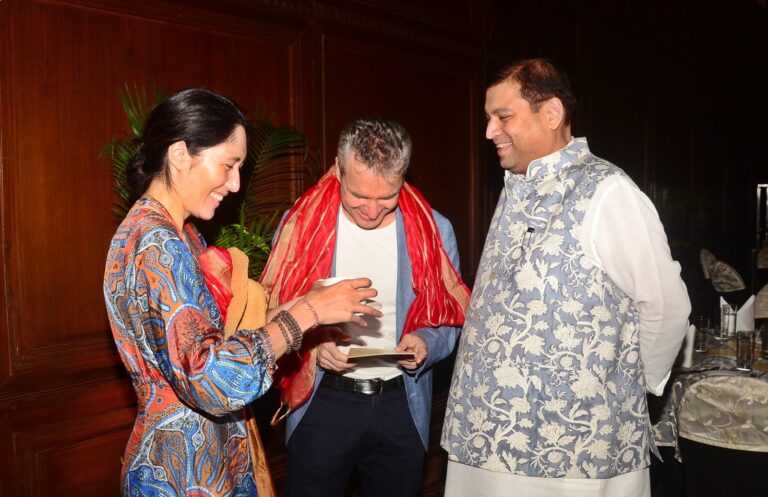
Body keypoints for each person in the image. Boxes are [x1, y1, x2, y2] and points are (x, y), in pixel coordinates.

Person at [103, 87, 381, 497]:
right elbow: (211, 379)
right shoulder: (157, 245)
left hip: (202, 461)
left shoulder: (180, 235)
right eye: (228, 165)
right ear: (180, 156)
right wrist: (306, 312)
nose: (235, 184)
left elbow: (206, 345)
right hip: (181, 474)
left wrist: (289, 314)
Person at [441, 58, 691, 497]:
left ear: (551, 114)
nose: (489, 131)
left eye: (503, 117)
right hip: (482, 440)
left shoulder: (608, 191)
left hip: (573, 455)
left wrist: (629, 389)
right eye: (488, 118)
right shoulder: (514, 186)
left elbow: (667, 307)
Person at [259, 117, 471, 497]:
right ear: (338, 171)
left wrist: (425, 342)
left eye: (386, 198)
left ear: (403, 176)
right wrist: (313, 343)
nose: (372, 211)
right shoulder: (300, 225)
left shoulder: (435, 230)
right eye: (359, 197)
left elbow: (451, 322)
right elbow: (270, 315)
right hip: (322, 402)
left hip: (401, 406)